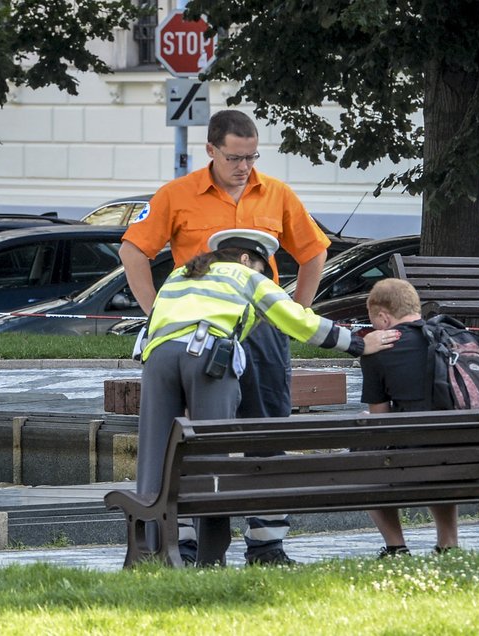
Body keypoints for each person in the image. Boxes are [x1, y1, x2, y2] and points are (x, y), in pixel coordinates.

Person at [120, 109, 331, 565]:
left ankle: (267, 542)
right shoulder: (178, 195)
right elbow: (133, 250)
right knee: (196, 438)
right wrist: (156, 312)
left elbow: (314, 252)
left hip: (262, 330)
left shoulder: (276, 193)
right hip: (203, 333)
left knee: (267, 427)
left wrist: (299, 311)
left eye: (252, 156)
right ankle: (190, 538)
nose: (244, 167)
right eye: (235, 157)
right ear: (211, 150)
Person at [136, 228, 399, 567]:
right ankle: (208, 556)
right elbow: (297, 321)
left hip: (156, 358)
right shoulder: (246, 275)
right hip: (208, 357)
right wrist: (359, 343)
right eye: (264, 266)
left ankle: (157, 548)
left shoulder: (180, 272)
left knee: (158, 454)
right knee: (210, 455)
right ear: (247, 258)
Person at [359, 278, 459, 557]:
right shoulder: (458, 337)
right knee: (441, 443)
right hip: (477, 458)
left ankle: (396, 545)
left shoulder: (380, 351)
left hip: (415, 459)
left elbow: (381, 423)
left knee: (363, 451)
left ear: (383, 317)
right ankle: (448, 542)